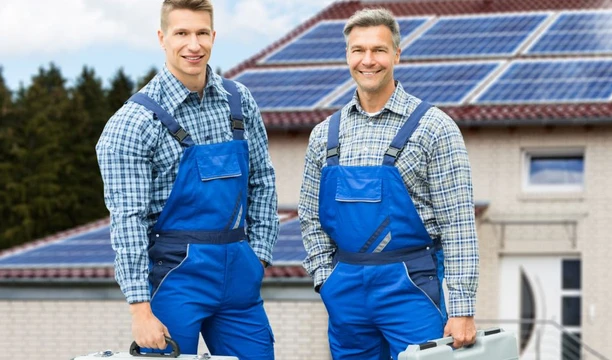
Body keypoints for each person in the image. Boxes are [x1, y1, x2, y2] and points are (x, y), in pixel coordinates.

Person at [95, 1, 278, 359]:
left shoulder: (240, 102)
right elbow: (128, 221)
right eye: (181, 33)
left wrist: (259, 257)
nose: (193, 45)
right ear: (162, 38)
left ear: (213, 36)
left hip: (240, 276)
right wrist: (139, 309)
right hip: (175, 280)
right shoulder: (131, 124)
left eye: (201, 33)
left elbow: (263, 182)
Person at [299, 7, 479, 359]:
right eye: (358, 50)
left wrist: (461, 308)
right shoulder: (325, 135)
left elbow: (458, 224)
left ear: (397, 53)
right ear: (347, 56)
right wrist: (327, 278)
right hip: (346, 290)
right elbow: (309, 215)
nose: (368, 60)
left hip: (410, 285)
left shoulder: (435, 128)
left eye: (379, 50)